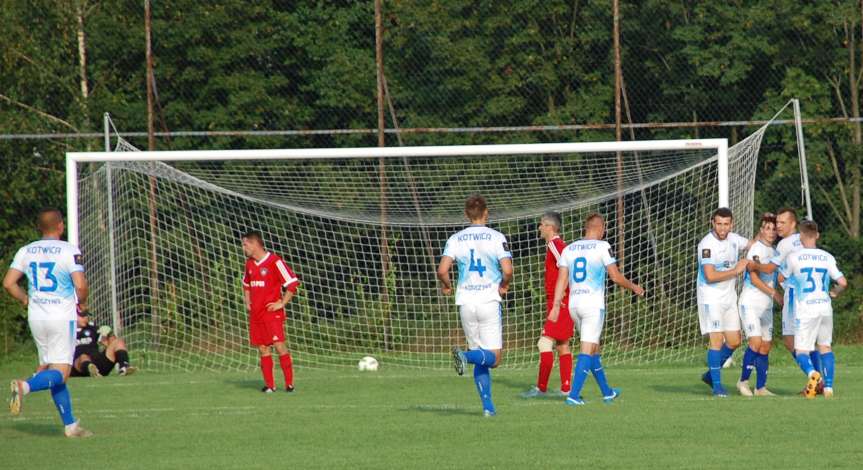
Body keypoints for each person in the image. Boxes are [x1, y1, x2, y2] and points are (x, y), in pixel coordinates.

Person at [4, 208, 93, 437]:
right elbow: (81, 286)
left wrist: (25, 298)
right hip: (61, 317)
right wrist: (82, 303)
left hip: (37, 317)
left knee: (52, 369)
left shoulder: (26, 250)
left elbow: (8, 283)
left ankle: (70, 425)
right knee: (62, 372)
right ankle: (24, 386)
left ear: (39, 228)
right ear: (61, 226)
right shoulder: (68, 251)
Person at [548, 213, 644, 406]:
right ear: (600, 228)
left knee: (594, 349)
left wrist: (557, 305)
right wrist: (634, 287)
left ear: (586, 227)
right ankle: (573, 396)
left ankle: (607, 392)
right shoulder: (603, 246)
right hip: (592, 305)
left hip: (574, 305)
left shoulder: (570, 248)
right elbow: (615, 277)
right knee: (587, 349)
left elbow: (562, 279)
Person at [438, 195, 513, 417]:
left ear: (466, 214)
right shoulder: (496, 237)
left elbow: (442, 270)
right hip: (488, 301)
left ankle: (488, 407)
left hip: (466, 303)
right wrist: (504, 284)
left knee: (481, 353)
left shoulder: (456, 238)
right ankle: (465, 356)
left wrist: (447, 286)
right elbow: (507, 270)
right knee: (495, 359)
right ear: (486, 212)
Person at [778, 220, 847, 399]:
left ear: (800, 237)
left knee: (801, 350)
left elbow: (780, 278)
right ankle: (829, 387)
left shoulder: (794, 257)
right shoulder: (827, 257)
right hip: (825, 307)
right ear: (817, 235)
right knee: (825, 347)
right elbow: (842, 282)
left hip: (806, 308)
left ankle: (811, 373)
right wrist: (834, 292)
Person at [696, 207, 750, 397]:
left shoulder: (734, 239)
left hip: (729, 298)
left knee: (735, 341)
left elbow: (752, 245)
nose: (722, 228)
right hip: (710, 298)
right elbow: (710, 276)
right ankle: (717, 386)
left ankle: (711, 374)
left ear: (731, 224)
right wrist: (736, 270)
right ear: (713, 222)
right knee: (717, 341)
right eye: (719, 224)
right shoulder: (706, 245)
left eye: (726, 224)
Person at [241, 231, 300, 393]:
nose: (243, 248)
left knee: (279, 345)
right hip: (256, 313)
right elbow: (246, 284)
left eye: (245, 244)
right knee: (262, 348)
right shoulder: (249, 264)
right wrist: (248, 302)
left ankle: (289, 384)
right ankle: (270, 386)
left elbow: (292, 283)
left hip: (271, 312)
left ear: (254, 244)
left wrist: (281, 303)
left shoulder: (275, 261)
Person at [522, 212, 573, 398]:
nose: (539, 228)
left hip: (560, 301)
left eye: (541, 224)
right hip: (562, 300)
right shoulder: (556, 245)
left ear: (550, 227)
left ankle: (541, 388)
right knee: (562, 345)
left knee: (544, 343)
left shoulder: (555, 244)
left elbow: (567, 266)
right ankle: (566, 388)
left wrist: (558, 302)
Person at [736, 213, 781, 396]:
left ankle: (761, 387)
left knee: (765, 346)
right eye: (767, 228)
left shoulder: (776, 251)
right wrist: (774, 293)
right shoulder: (756, 249)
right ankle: (743, 381)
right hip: (750, 302)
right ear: (761, 230)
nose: (770, 232)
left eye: (773, 229)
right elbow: (754, 279)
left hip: (766, 306)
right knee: (755, 342)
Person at [71, 309, 137, 378]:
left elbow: (108, 343)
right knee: (83, 357)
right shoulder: (66, 331)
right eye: (82, 316)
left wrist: (110, 333)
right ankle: (91, 370)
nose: (86, 318)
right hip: (78, 365)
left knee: (119, 342)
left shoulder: (92, 328)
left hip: (98, 362)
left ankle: (124, 367)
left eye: (86, 316)